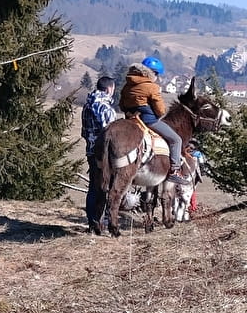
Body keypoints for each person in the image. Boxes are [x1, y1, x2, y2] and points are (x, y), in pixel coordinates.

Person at [120, 56, 191, 185]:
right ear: (153, 73)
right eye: (157, 74)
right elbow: (161, 110)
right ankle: (174, 171)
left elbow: (121, 105)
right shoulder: (152, 87)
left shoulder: (127, 85)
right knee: (176, 140)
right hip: (148, 121)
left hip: (131, 119)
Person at [81, 75, 117, 233]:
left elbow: (84, 132)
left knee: (94, 187)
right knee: (105, 188)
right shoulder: (104, 107)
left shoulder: (87, 105)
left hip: (90, 151)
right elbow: (109, 132)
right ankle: (100, 223)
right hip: (103, 154)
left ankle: (92, 223)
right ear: (109, 89)